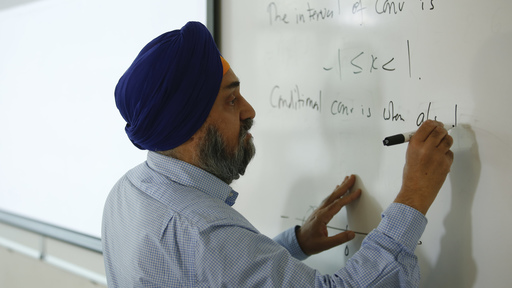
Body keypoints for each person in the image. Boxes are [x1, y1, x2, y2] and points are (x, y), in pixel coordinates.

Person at [102, 21, 454, 287]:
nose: (249, 110)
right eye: (231, 99)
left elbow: (207, 272)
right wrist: (414, 197)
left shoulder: (127, 192)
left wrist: (296, 243)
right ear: (190, 126)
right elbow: (211, 254)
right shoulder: (206, 233)